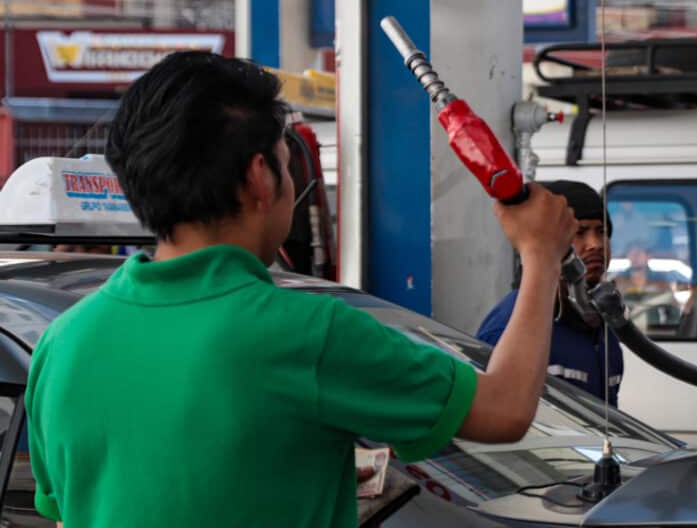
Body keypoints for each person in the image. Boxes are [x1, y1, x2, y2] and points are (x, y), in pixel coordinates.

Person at [25, 51, 577, 527]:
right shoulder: (305, 334)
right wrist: (540, 254)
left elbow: (67, 515)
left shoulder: (63, 343)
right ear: (260, 178)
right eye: (289, 166)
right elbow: (504, 409)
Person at [477, 180, 624, 405]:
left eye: (601, 231)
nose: (595, 244)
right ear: (551, 240)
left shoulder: (601, 326)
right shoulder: (511, 325)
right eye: (580, 232)